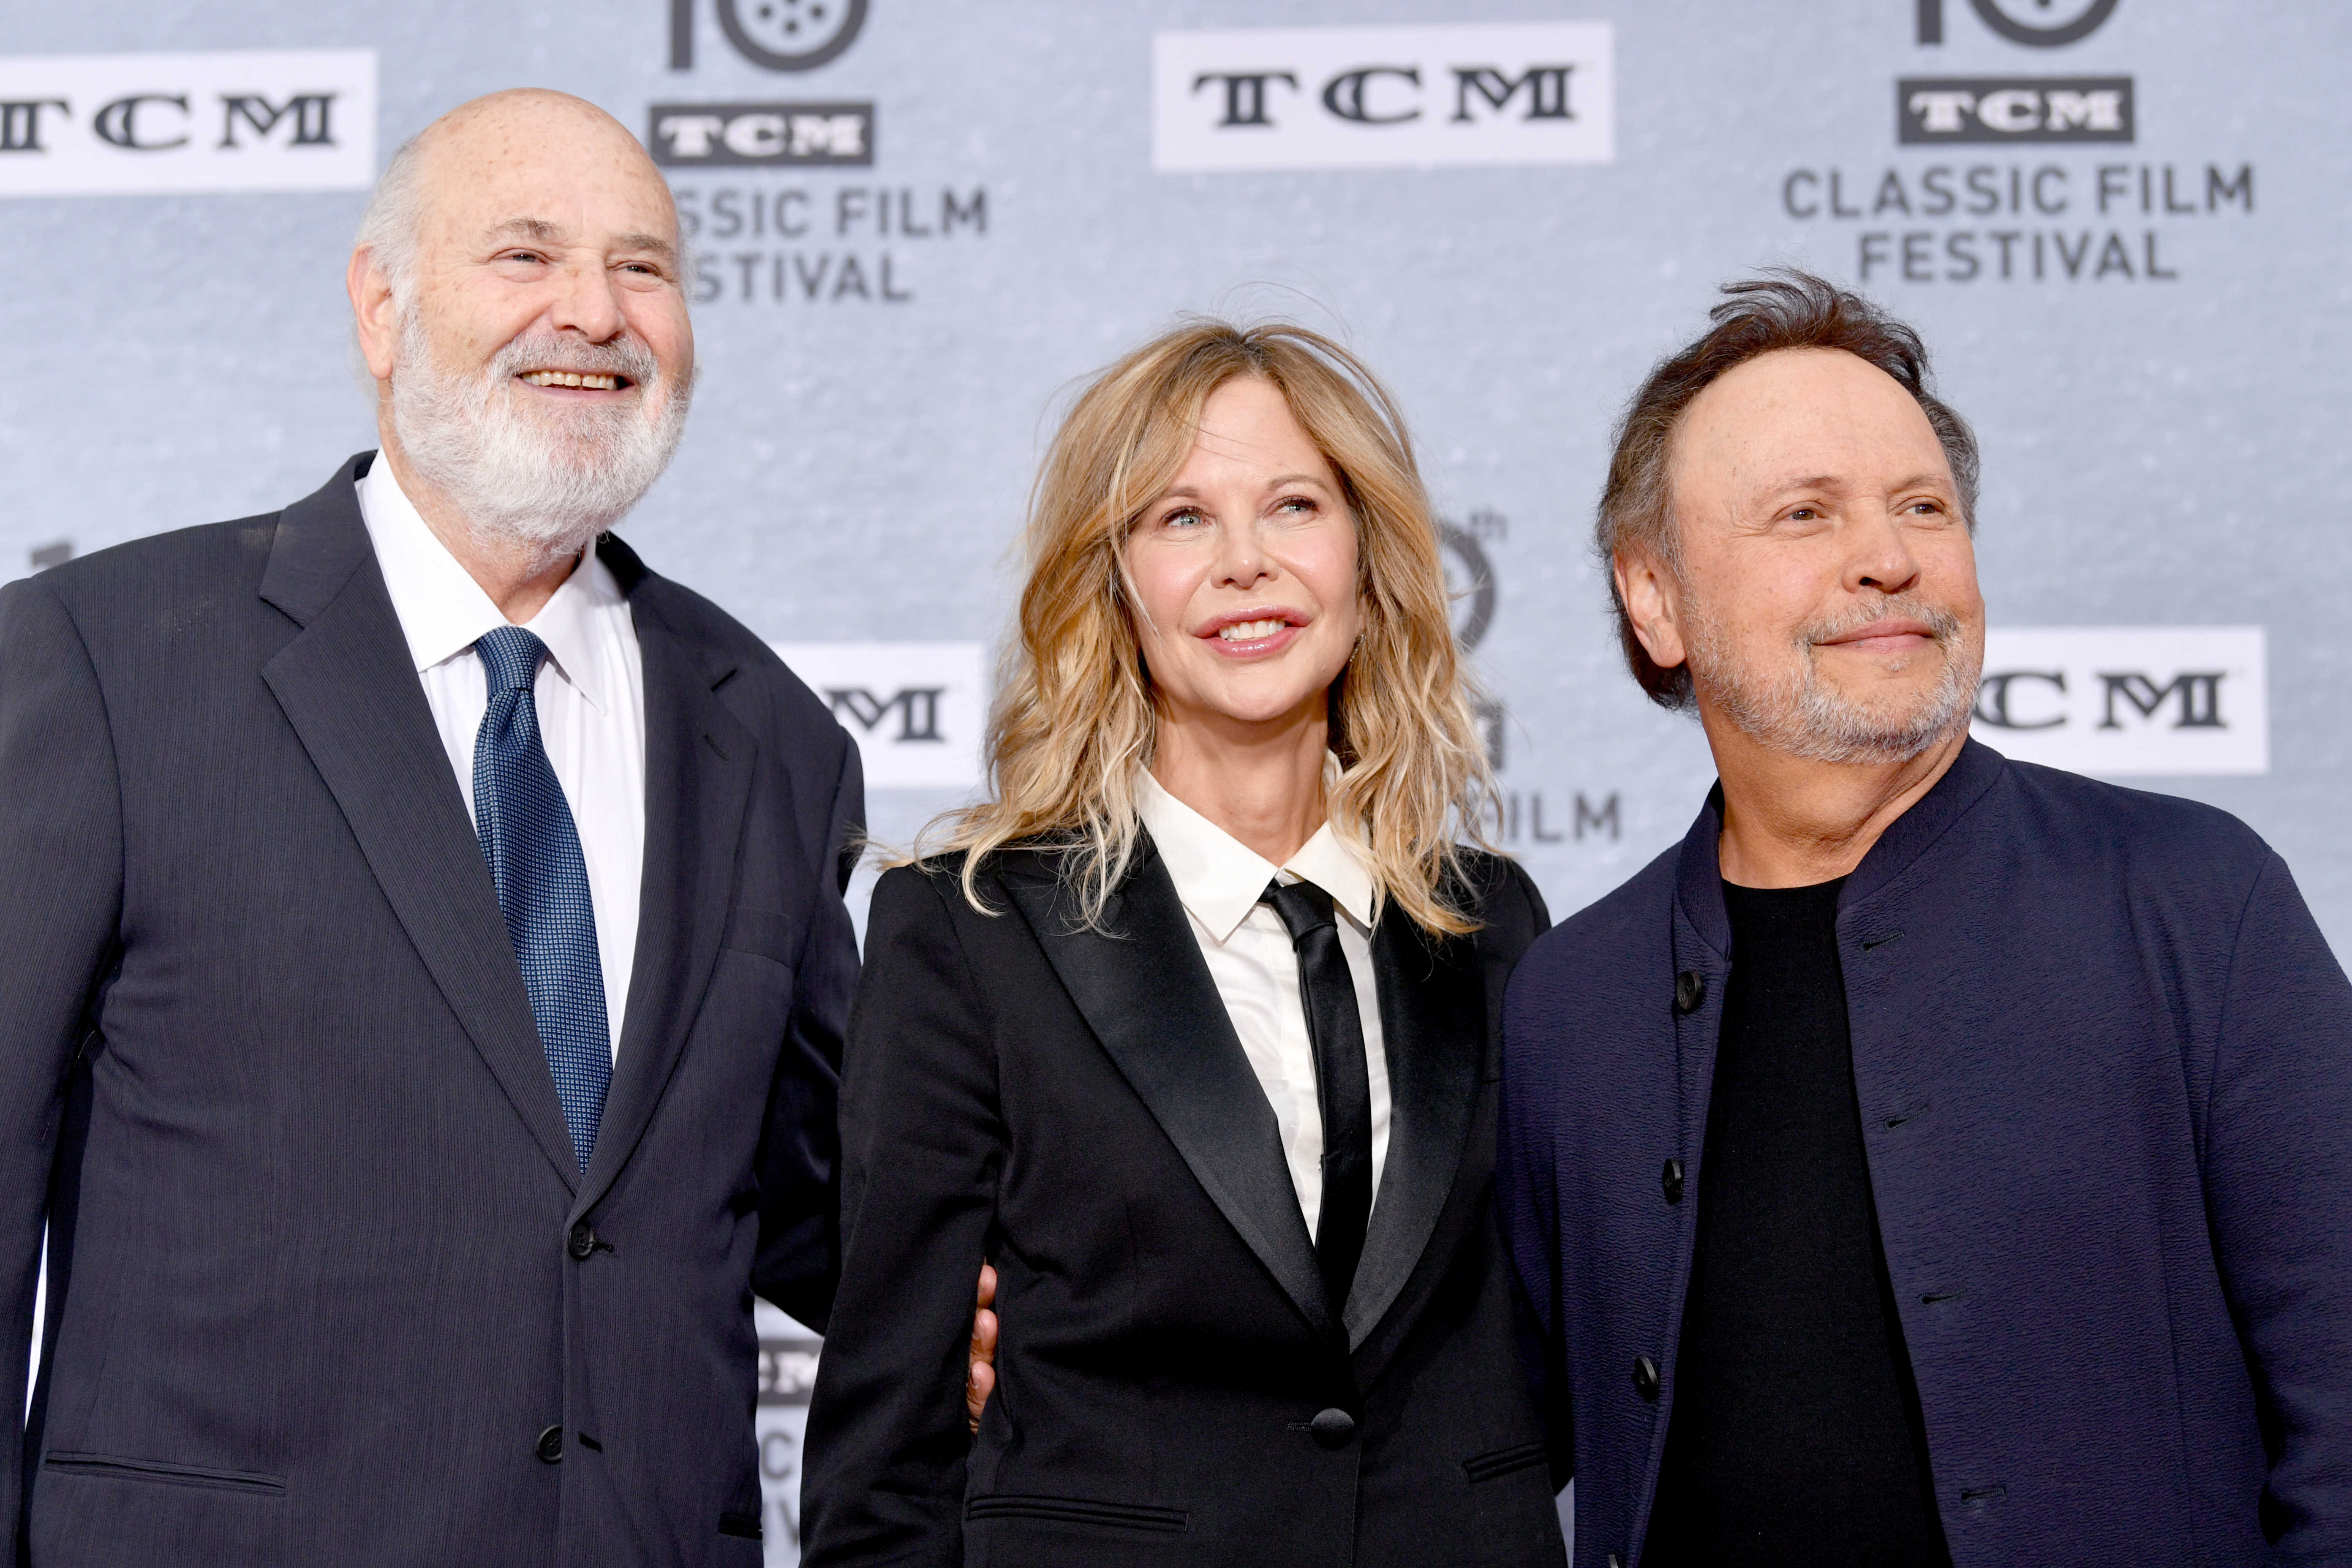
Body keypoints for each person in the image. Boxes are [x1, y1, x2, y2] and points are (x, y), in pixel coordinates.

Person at [0, 90, 860, 1564]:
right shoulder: (98, 662)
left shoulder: (769, 731)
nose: (593, 313)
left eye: (644, 268)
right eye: (524, 257)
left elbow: (824, 1206)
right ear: (381, 310)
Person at [1497, 270, 2352, 1567]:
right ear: (1655, 600)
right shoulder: (1572, 998)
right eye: (1805, 513)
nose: (1889, 557)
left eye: (1923, 507)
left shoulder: (2195, 901)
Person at [801, 321, 1566, 1566]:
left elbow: (1548, 1354)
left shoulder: (1493, 925)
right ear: (1113, 585)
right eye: (1181, 519)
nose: (1246, 564)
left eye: (1295, 505)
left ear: (1370, 565)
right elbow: (886, 1447)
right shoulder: (970, 931)